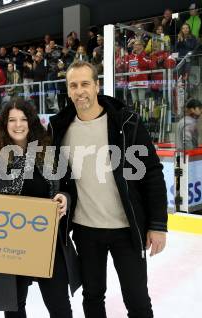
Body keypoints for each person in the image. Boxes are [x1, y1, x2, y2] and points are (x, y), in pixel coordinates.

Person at [48, 61, 168, 318]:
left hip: (126, 229)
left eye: (85, 84)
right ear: (68, 91)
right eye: (73, 85)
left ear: (97, 86)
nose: (80, 91)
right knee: (92, 296)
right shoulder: (60, 128)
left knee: (137, 300)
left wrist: (157, 224)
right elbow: (50, 172)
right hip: (85, 229)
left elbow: (152, 173)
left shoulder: (126, 123)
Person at [0, 98, 81, 318]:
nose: (18, 125)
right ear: (4, 124)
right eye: (12, 120)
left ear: (32, 122)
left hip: (47, 242)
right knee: (15, 310)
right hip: (9, 246)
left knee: (60, 307)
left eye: (23, 119)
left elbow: (68, 188)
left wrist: (64, 198)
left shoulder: (48, 153)